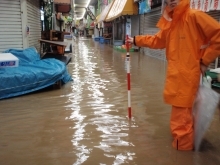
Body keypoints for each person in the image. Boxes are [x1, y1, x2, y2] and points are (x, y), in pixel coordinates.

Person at [126, 0, 220, 151]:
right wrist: (135, 40)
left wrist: (205, 60)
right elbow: (157, 40)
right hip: (178, 79)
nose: (172, 1)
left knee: (180, 124)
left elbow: (218, 34)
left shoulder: (194, 16)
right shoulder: (171, 23)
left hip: (187, 79)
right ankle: (189, 148)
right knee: (186, 119)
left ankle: (182, 154)